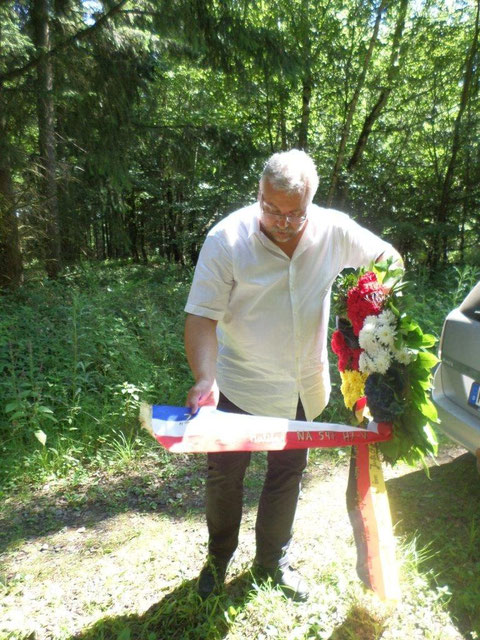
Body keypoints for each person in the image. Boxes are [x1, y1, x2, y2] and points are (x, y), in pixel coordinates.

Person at [184, 149, 401, 601]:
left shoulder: (334, 230)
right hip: (238, 385)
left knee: (287, 475)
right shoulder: (227, 239)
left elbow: (390, 261)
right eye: (270, 208)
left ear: (312, 203)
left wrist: (366, 312)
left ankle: (272, 563)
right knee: (225, 478)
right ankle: (217, 557)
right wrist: (205, 378)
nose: (281, 221)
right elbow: (201, 317)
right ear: (258, 194)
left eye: (293, 213)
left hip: (304, 386)